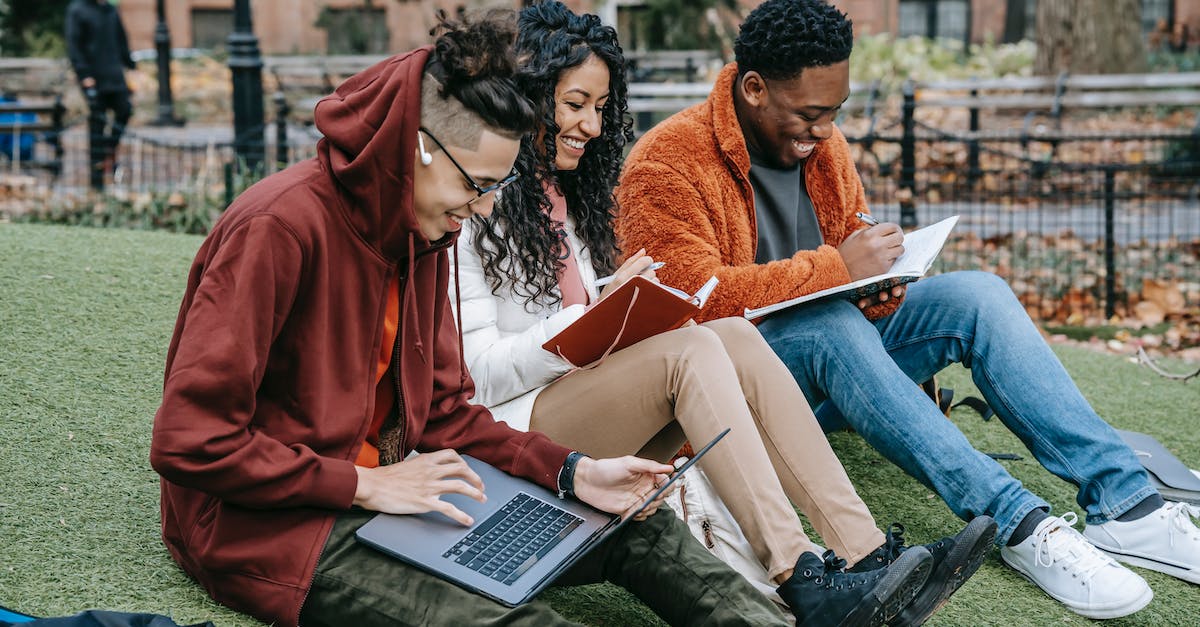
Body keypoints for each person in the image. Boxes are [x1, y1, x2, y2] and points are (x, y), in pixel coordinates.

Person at [149, 10, 792, 627]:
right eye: (476, 185)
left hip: (416, 489)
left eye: (495, 188)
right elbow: (190, 439)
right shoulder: (277, 228)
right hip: (278, 527)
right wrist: (363, 486)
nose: (483, 210)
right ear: (421, 150)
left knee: (637, 523)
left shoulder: (423, 232)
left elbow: (450, 413)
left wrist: (574, 472)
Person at [615, 0, 1200, 620]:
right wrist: (840, 270)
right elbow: (683, 304)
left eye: (834, 113)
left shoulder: (824, 144)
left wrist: (880, 282)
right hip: (740, 390)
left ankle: (1126, 505)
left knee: (979, 294)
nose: (822, 132)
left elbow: (849, 237)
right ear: (754, 88)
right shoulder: (667, 160)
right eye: (809, 114)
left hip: (838, 354)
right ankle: (1022, 525)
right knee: (824, 326)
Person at [452, 3, 996, 625]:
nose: (592, 126)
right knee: (696, 348)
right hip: (514, 436)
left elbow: (584, 325)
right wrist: (592, 319)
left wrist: (619, 308)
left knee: (729, 332)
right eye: (575, 104)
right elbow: (475, 380)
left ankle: (864, 557)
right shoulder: (467, 207)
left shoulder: (571, 201)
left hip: (577, 399)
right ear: (526, 96)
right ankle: (800, 576)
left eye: (601, 109)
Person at [65, 0, 134, 190]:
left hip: (114, 76)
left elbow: (121, 41)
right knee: (97, 125)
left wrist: (131, 66)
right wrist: (84, 75)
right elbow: (74, 45)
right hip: (93, 77)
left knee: (125, 110)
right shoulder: (78, 10)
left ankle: (108, 151)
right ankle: (96, 181)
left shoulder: (110, 10)